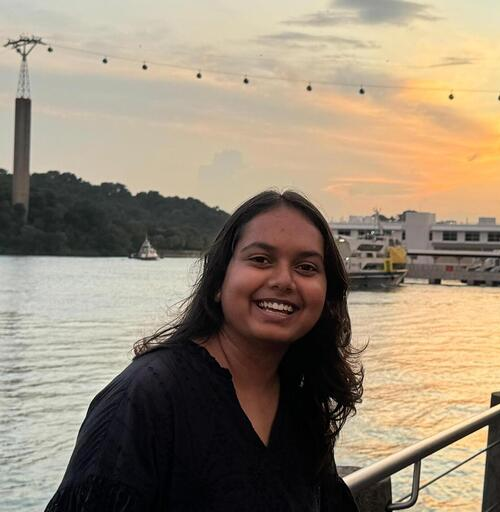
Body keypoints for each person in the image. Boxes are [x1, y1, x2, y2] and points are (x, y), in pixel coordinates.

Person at [45, 190, 363, 511]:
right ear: (218, 281)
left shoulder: (301, 402)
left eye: (306, 267)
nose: (284, 280)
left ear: (327, 294)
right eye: (260, 259)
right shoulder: (145, 398)